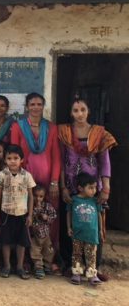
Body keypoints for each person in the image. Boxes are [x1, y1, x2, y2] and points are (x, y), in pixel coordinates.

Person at [58, 97, 117, 281]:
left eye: (83, 109)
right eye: (76, 110)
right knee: (70, 228)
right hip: (71, 186)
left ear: (88, 111)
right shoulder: (65, 133)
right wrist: (62, 187)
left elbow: (104, 162)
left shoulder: (100, 133)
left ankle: (93, 267)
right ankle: (72, 266)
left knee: (94, 227)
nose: (79, 114)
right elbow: (60, 162)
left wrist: (106, 187)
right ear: (71, 113)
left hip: (92, 189)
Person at [10, 92, 61, 251]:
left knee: (49, 215)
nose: (36, 107)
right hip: (26, 176)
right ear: (26, 107)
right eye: (32, 104)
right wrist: (17, 178)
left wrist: (54, 181)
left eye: (39, 104)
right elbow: (14, 154)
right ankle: (26, 257)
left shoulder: (52, 128)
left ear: (43, 106)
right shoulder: (18, 127)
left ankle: (49, 255)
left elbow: (56, 156)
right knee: (26, 214)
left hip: (47, 178)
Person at [0, 144, 36, 280]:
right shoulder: (2, 175)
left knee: (21, 242)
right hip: (6, 212)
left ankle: (19, 267)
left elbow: (31, 196)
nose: (12, 161)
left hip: (22, 213)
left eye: (15, 158)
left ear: (21, 159)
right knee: (5, 240)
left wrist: (30, 214)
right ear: (5, 160)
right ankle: (6, 266)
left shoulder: (27, 176)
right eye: (9, 158)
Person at [67, 173, 103, 286]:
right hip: (77, 233)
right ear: (80, 188)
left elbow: (99, 215)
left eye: (95, 187)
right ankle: (76, 273)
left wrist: (100, 230)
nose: (94, 190)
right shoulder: (74, 200)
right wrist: (68, 227)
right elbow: (69, 214)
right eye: (90, 188)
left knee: (91, 255)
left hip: (92, 234)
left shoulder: (95, 201)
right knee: (76, 254)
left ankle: (92, 275)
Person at [30, 185, 57, 279]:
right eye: (35, 196)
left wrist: (47, 218)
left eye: (40, 196)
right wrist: (36, 209)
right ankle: (38, 267)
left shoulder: (47, 206)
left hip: (45, 234)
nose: (38, 198)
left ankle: (47, 265)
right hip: (34, 234)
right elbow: (30, 216)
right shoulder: (30, 206)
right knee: (35, 251)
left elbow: (54, 215)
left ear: (44, 197)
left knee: (48, 250)